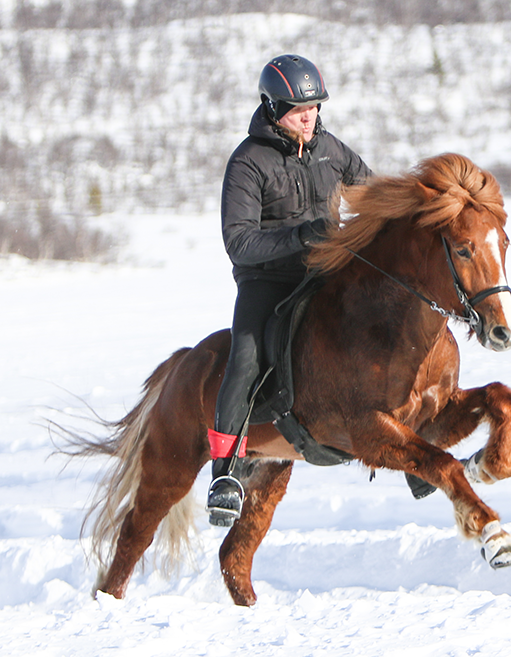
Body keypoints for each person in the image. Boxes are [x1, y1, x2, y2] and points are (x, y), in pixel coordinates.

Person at [207, 54, 372, 527]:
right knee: (243, 359)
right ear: (272, 107)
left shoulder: (331, 150)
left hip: (326, 270)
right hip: (267, 280)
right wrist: (300, 237)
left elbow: (372, 195)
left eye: (316, 108)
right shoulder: (247, 162)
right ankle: (224, 474)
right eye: (300, 111)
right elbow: (238, 242)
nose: (310, 117)